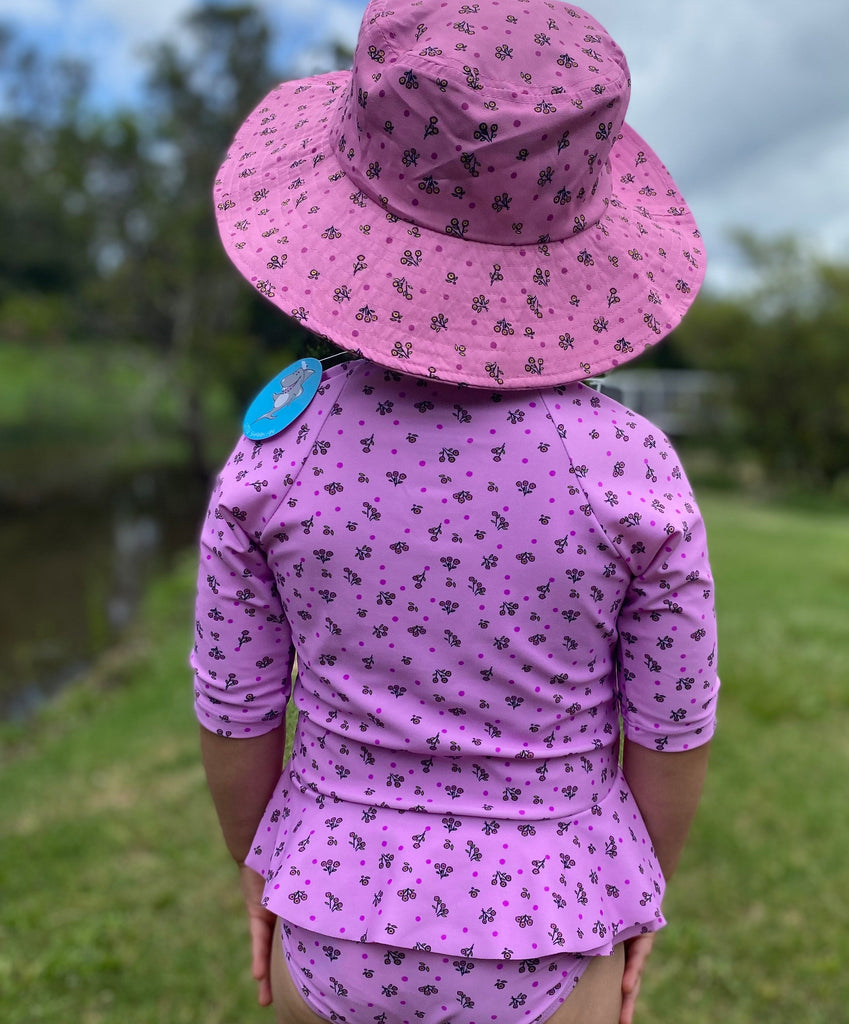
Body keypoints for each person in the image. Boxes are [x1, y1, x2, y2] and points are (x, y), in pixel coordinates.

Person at [191, 2, 719, 1022]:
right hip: (554, 923)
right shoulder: (630, 469)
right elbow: (672, 729)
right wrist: (637, 899)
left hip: (330, 913)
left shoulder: (280, 450)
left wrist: (260, 872)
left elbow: (235, 713)